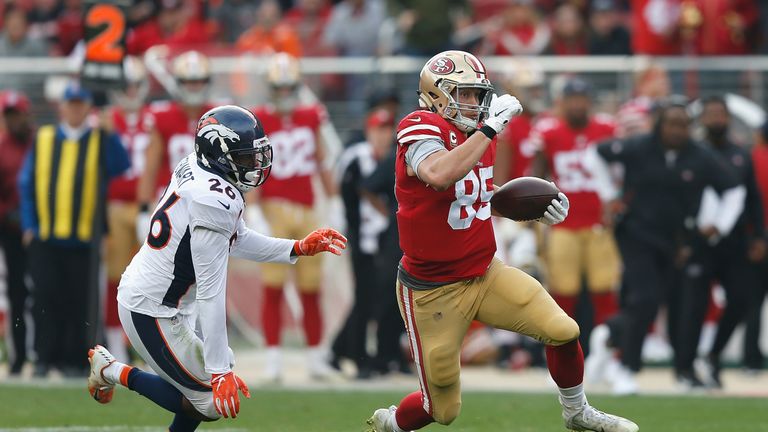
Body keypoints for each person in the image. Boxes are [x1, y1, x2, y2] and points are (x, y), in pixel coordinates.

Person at [366, 50, 637, 432]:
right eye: (466, 94)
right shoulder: (419, 125)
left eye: (479, 95)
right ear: (438, 93)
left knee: (563, 330)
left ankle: (577, 412)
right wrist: (488, 131)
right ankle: (393, 424)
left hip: (484, 271)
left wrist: (529, 207)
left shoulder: (479, 136)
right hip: (432, 289)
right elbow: (438, 173)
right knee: (441, 408)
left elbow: (473, 193)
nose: (475, 104)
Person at [86, 105, 347, 430]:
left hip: (172, 303)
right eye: (245, 157)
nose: (255, 164)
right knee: (211, 400)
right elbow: (211, 292)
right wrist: (220, 373)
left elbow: (235, 238)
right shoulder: (213, 200)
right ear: (219, 155)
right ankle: (111, 371)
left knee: (212, 374)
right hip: (150, 308)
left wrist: (295, 248)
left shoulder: (200, 168)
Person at [584, 96, 742, 395]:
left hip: (679, 242)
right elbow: (596, 154)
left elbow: (733, 189)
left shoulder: (700, 156)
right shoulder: (638, 146)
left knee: (676, 304)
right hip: (636, 234)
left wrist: (719, 225)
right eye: (672, 124)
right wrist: (608, 196)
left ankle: (612, 335)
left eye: (684, 125)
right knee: (646, 298)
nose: (677, 131)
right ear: (659, 125)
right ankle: (626, 368)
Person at [18, 81, 130, 377]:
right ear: (62, 107)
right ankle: (43, 358)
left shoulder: (98, 138)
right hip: (46, 235)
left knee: (80, 301)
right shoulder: (44, 138)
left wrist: (112, 133)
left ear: (87, 108)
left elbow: (122, 166)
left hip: (84, 238)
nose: (76, 109)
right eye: (72, 104)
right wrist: (29, 225)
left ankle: (76, 360)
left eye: (81, 104)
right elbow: (26, 183)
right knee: (45, 298)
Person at [251, 53, 338, 381]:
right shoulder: (259, 119)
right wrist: (254, 206)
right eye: (280, 87)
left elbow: (321, 160)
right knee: (272, 287)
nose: (285, 94)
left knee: (311, 288)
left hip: (306, 208)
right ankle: (273, 358)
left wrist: (334, 200)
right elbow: (255, 167)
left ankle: (315, 356)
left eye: (290, 87)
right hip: (274, 208)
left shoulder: (310, 115)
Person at [676, 96, 764, 388]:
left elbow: (752, 197)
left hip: (733, 241)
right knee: (694, 306)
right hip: (698, 242)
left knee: (740, 300)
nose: (716, 119)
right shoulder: (691, 153)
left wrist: (758, 236)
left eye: (721, 114)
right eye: (711, 114)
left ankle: (713, 355)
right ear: (701, 119)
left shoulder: (740, 153)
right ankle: (686, 367)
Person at [530, 77, 621, 336]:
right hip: (562, 223)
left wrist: (615, 204)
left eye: (582, 100)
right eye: (572, 100)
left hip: (599, 222)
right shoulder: (548, 131)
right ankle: (562, 351)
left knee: (604, 289)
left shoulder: (606, 128)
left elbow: (621, 172)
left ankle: (609, 356)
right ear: (562, 102)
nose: (577, 105)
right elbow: (538, 176)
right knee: (562, 290)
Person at [333, 109, 393, 378]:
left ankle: (342, 349)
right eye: (379, 129)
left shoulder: (392, 157)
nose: (383, 135)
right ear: (369, 131)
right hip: (360, 236)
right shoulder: (356, 157)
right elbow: (344, 191)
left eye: (387, 129)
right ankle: (355, 356)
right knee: (364, 298)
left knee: (375, 297)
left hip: (382, 238)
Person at [103, 56, 153, 363]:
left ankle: (150, 346)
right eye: (126, 85)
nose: (131, 91)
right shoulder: (107, 119)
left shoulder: (154, 118)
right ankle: (115, 344)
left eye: (135, 84)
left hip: (149, 206)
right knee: (114, 278)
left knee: (154, 278)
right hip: (116, 204)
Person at [136, 50, 215, 243]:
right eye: (188, 82)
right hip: (172, 204)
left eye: (198, 82)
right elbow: (150, 167)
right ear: (179, 83)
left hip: (211, 203)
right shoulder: (162, 117)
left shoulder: (219, 115)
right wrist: (144, 209)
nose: (194, 88)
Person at [0, 90, 33, 375]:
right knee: (17, 293)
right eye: (9, 115)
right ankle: (19, 356)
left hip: (40, 230)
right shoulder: (1, 147)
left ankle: (48, 354)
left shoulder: (42, 143)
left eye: (17, 114)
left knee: (47, 292)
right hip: (11, 231)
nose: (14, 120)